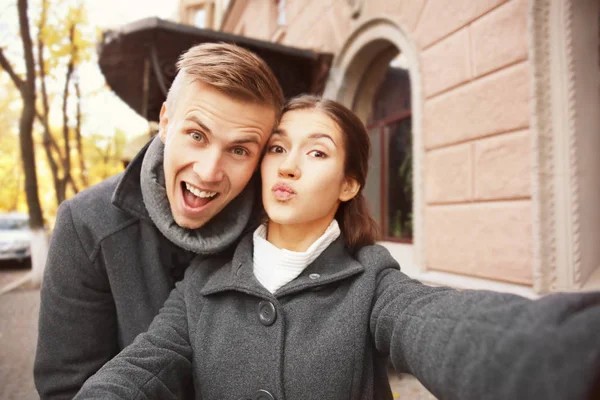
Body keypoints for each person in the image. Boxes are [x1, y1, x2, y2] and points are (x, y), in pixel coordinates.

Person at [74, 95, 600, 400]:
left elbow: (444, 324)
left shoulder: (373, 282)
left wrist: (564, 352)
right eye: (277, 147)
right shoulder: (201, 282)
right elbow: (142, 367)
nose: (288, 165)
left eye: (316, 152)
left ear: (349, 183)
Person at [34, 42, 284, 399]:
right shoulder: (87, 223)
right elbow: (66, 388)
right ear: (166, 123)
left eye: (239, 150)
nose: (209, 171)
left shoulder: (276, 228)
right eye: (196, 136)